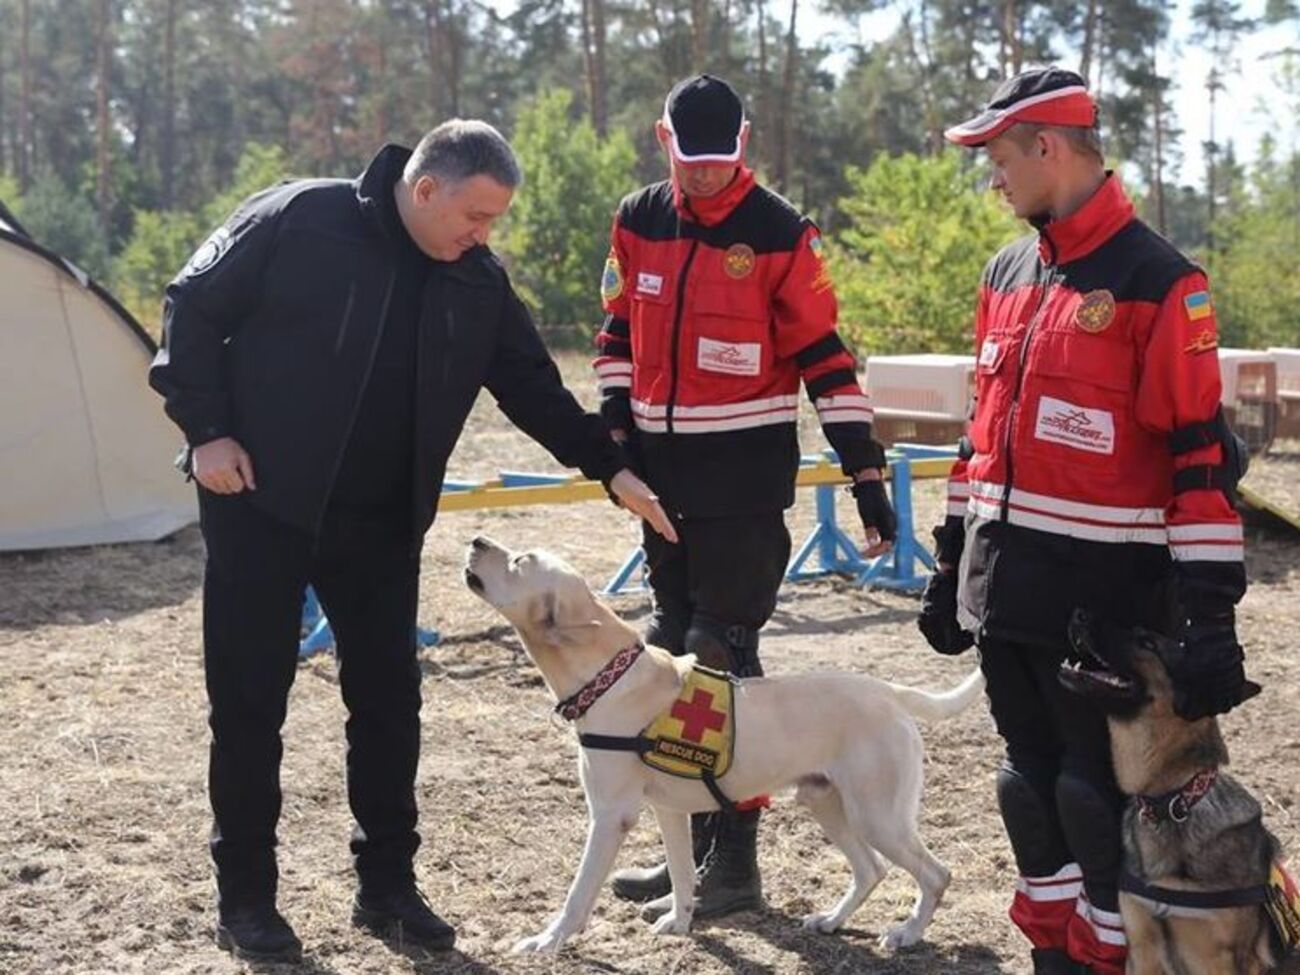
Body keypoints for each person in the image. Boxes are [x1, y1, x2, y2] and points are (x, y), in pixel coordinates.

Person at [149, 120, 676, 963]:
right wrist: (206, 429)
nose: (484, 234)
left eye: (495, 220)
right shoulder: (297, 218)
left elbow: (533, 386)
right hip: (259, 504)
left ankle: (387, 887)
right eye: (475, 215)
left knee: (390, 706)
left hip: (380, 524)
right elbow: (191, 303)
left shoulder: (475, 280)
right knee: (251, 705)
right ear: (424, 189)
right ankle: (246, 899)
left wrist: (609, 469)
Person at [920, 67, 1255, 975]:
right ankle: (1053, 959)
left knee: (1085, 794)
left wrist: (1211, 613)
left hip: (1100, 603)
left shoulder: (1160, 280)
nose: (993, 177)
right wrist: (951, 560)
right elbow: (978, 438)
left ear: (1049, 148)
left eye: (998, 157)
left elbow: (1199, 461)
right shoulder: (1007, 272)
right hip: (1004, 592)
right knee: (1024, 789)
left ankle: (1115, 960)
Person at [593, 74, 897, 920]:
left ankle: (736, 868)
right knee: (669, 664)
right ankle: (689, 854)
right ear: (665, 143)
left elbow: (827, 360)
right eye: (691, 163)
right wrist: (616, 422)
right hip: (661, 485)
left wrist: (864, 471)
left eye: (720, 162)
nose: (704, 178)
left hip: (745, 488)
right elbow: (616, 332)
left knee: (717, 658)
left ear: (745, 145)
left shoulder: (781, 234)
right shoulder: (637, 219)